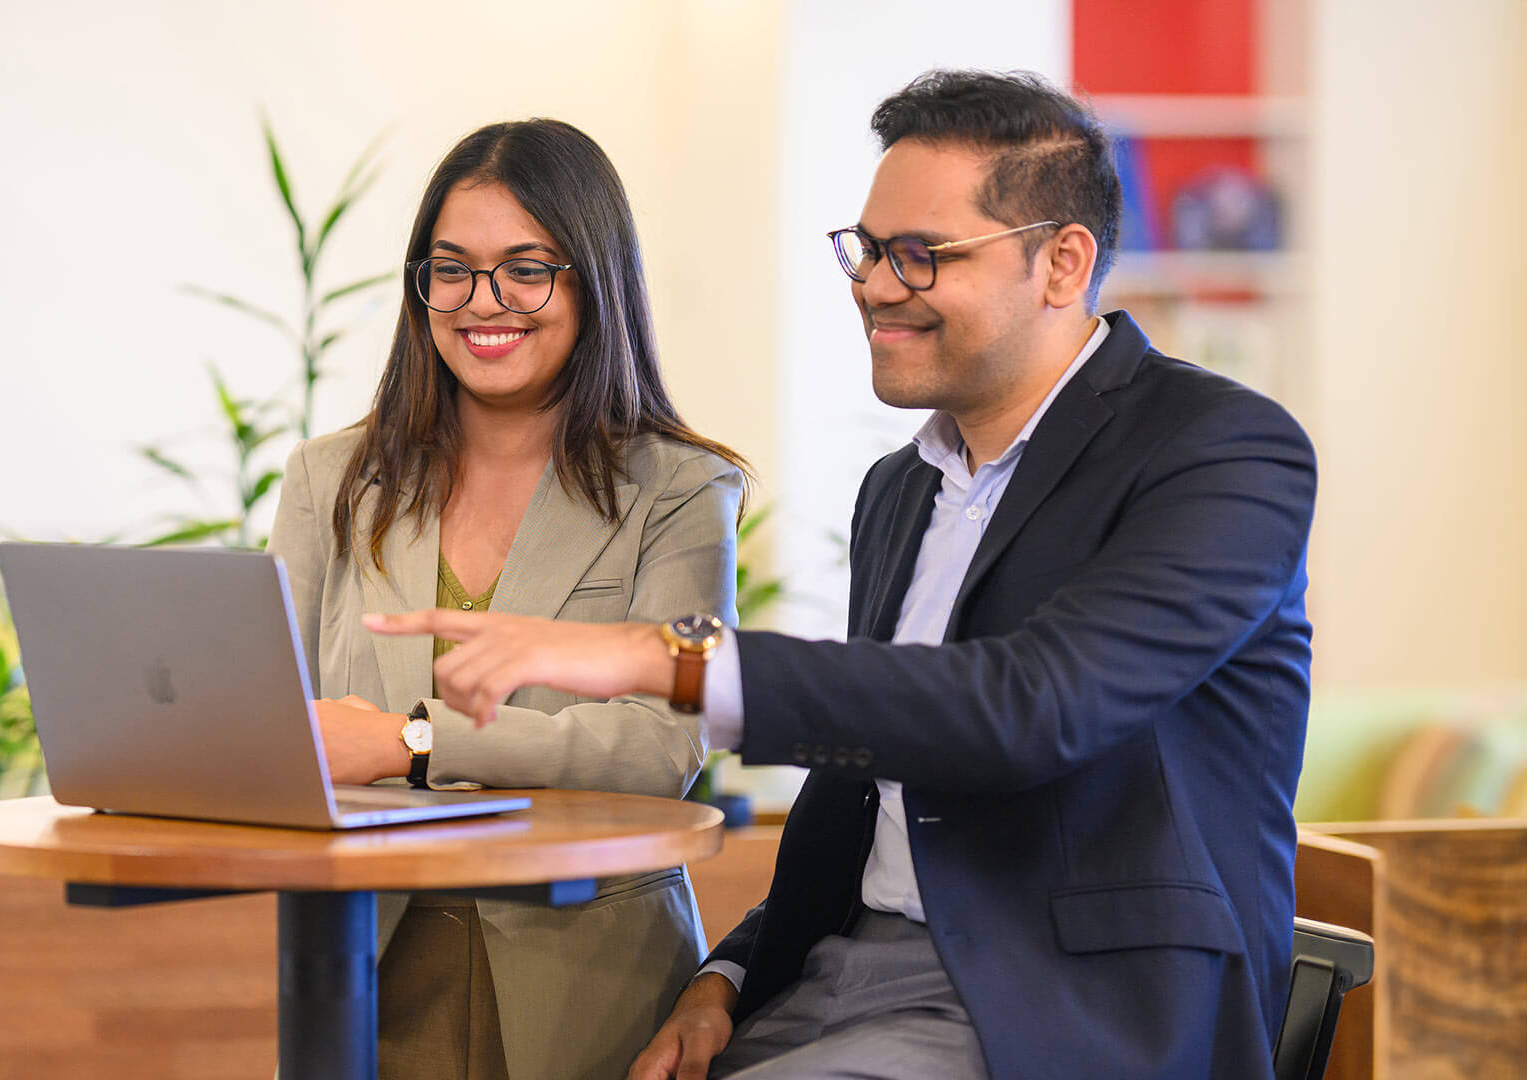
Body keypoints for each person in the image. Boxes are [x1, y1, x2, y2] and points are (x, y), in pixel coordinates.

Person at [368, 70, 1318, 1080]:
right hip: (837, 983)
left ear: (1062, 263)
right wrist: (727, 975)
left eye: (920, 255)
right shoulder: (900, 490)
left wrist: (662, 659)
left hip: (1053, 1010)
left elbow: (1031, 707)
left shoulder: (1219, 451)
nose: (873, 286)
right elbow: (862, 800)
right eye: (867, 249)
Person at [266, 117, 747, 1080]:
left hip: (593, 979)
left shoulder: (680, 489)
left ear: (594, 281)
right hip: (364, 965)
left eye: (527, 270)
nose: (485, 303)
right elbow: (277, 724)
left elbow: (662, 746)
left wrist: (413, 742)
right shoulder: (330, 481)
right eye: (452, 270)